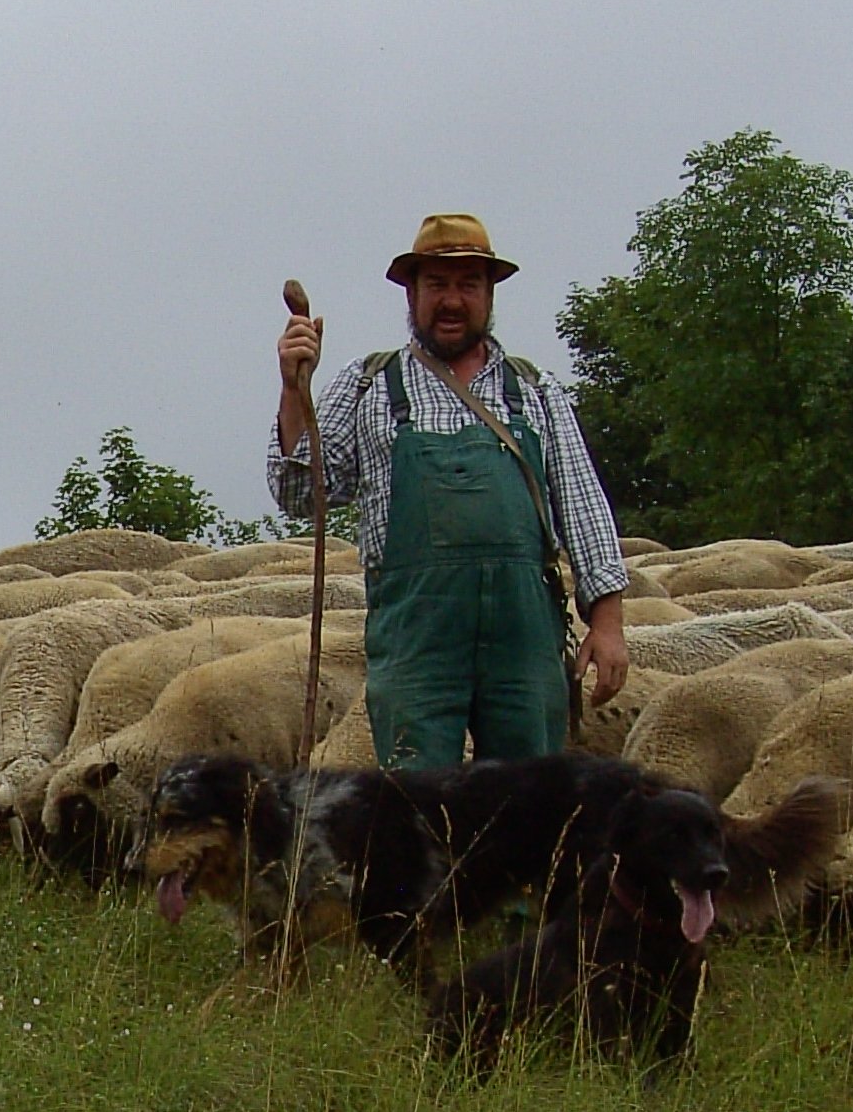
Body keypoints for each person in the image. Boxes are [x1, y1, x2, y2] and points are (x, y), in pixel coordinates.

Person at [270, 214, 630, 769]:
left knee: (526, 798)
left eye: (468, 284)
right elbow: (300, 494)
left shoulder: (534, 390)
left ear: (489, 294)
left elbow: (583, 506)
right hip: (417, 640)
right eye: (437, 284)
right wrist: (295, 388)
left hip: (524, 639)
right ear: (412, 293)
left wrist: (606, 625)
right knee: (415, 803)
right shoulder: (368, 383)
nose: (452, 300)